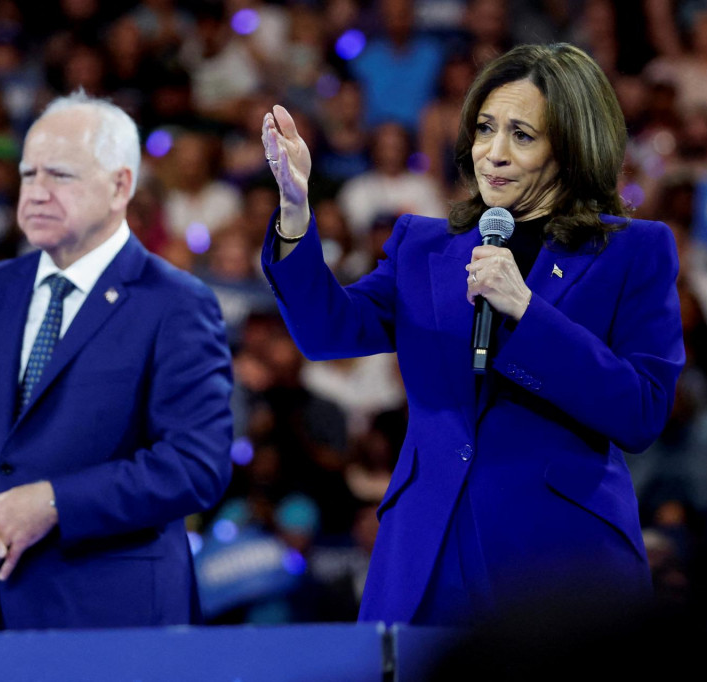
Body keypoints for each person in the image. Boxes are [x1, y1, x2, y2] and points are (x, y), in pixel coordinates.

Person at [259, 43, 684, 625]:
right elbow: (327, 332)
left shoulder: (633, 251)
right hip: (424, 553)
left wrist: (528, 313)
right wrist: (295, 214)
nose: (494, 154)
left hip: (561, 557)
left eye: (522, 135)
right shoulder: (425, 246)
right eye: (485, 129)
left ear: (573, 144)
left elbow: (641, 411)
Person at [0, 92, 234, 632]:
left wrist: (56, 502)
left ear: (120, 186)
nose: (35, 194)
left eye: (59, 176)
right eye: (27, 174)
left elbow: (196, 465)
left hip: (112, 618)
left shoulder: (176, 302)